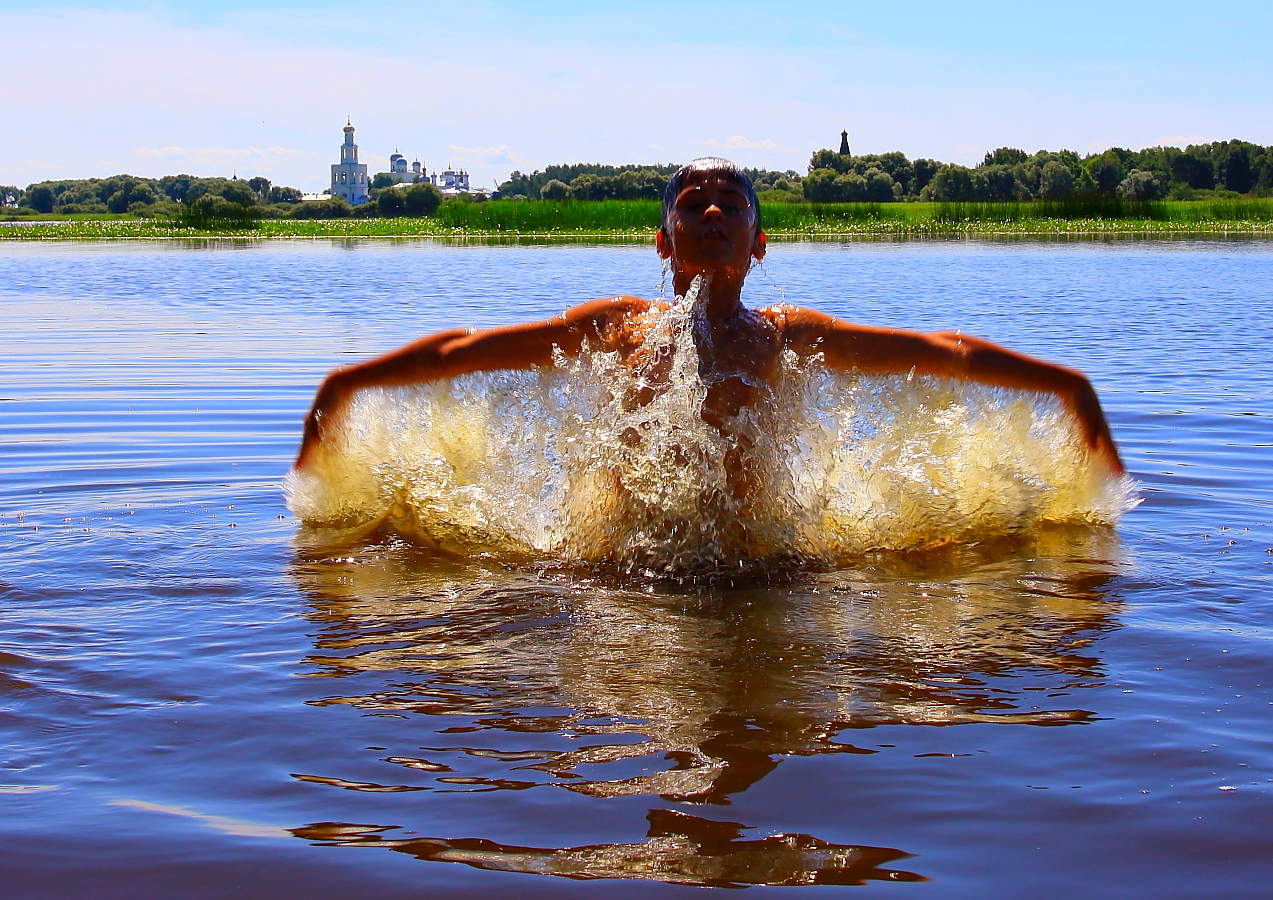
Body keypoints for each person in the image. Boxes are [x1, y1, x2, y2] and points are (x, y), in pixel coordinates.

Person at [294, 157, 1123, 478]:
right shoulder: (616, 327)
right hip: (623, 568)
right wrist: (346, 380)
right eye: (694, 203)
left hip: (758, 568)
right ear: (664, 238)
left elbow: (944, 352)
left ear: (759, 243)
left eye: (731, 203)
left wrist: (1068, 386)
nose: (713, 212)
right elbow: (465, 350)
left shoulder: (789, 336)